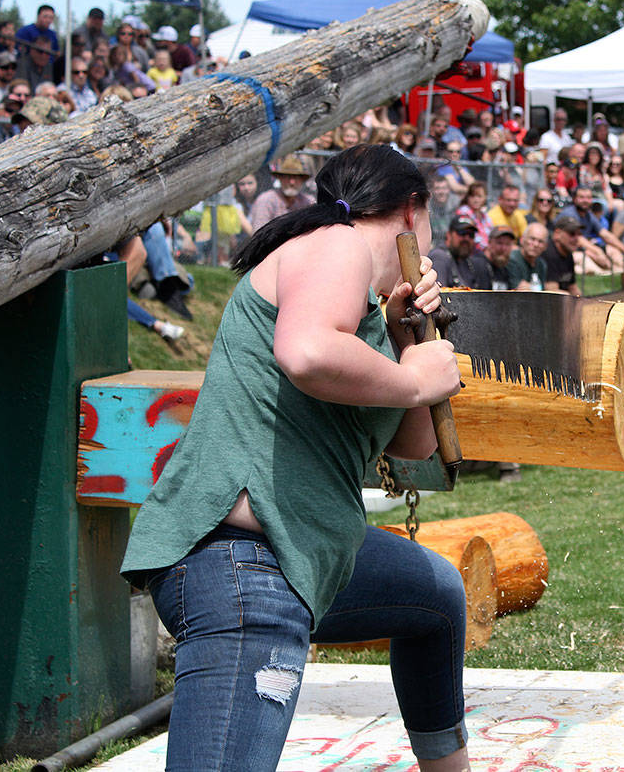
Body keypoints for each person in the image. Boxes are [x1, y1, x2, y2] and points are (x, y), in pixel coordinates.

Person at [119, 144, 469, 772]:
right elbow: (306, 352)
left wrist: (408, 335)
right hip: (242, 566)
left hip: (306, 550)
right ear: (413, 213)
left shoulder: (365, 310)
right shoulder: (337, 245)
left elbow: (412, 446)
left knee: (436, 595)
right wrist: (416, 381)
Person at [250, 155, 315, 228]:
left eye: (296, 177)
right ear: (280, 178)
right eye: (288, 177)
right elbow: (259, 232)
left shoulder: (308, 202)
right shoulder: (266, 200)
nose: (292, 182)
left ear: (302, 180)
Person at [429, 215, 491, 288]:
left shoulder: (469, 262)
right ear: (449, 235)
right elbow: (439, 294)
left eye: (471, 235)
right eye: (462, 233)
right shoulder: (440, 257)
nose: (467, 238)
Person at [542, 215, 584, 295]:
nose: (576, 238)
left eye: (579, 234)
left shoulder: (568, 254)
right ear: (557, 234)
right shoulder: (549, 254)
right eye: (572, 234)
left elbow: (573, 287)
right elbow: (552, 292)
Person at [508, 221, 550, 290]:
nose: (536, 244)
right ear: (522, 240)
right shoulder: (512, 259)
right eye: (532, 239)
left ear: (545, 246)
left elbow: (541, 292)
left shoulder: (541, 264)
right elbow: (519, 289)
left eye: (540, 241)